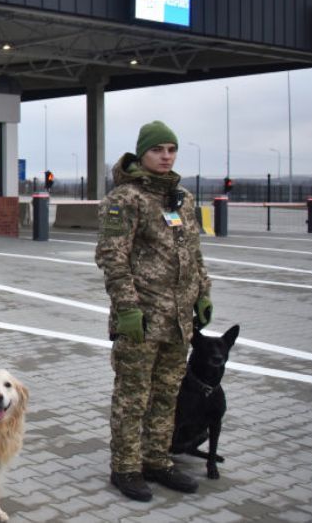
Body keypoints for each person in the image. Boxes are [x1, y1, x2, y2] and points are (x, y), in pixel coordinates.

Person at [96, 120, 212, 502]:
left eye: (171, 149)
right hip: (142, 319)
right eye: (157, 150)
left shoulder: (182, 198)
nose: (166, 156)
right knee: (133, 395)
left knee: (167, 393)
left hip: (179, 321)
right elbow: (112, 257)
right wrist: (127, 308)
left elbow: (193, 253)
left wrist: (203, 294)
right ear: (141, 154)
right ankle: (126, 466)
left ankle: (157, 459)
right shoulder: (126, 199)